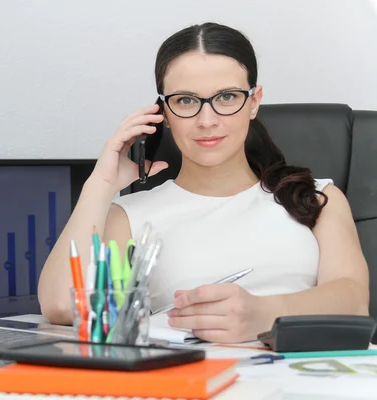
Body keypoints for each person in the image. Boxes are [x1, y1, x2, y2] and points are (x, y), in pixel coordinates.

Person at [37, 22, 369, 343]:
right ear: (164, 113)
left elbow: (353, 302)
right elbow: (62, 306)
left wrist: (263, 314)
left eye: (226, 97)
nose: (206, 121)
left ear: (253, 102)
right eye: (185, 101)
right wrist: (101, 182)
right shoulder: (128, 215)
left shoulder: (316, 197)